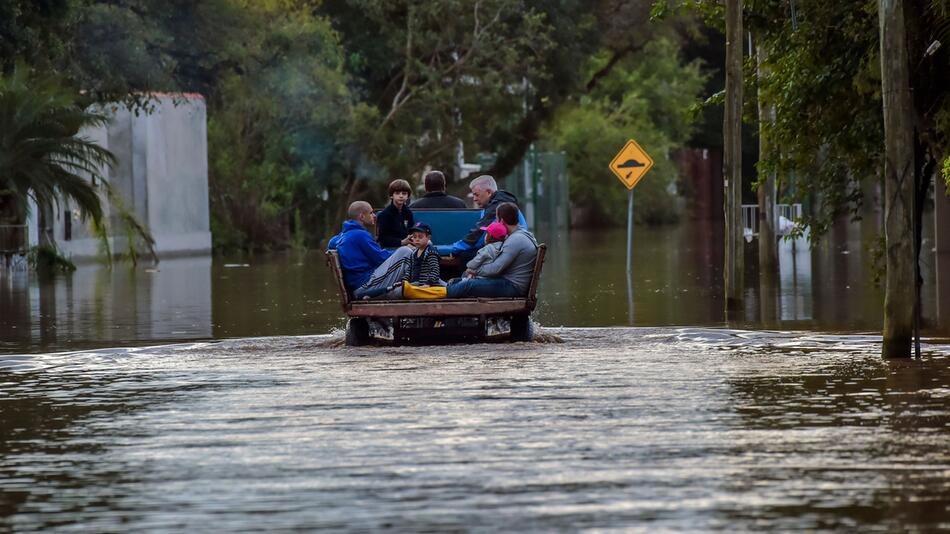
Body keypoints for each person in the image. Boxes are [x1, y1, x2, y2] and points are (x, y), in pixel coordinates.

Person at [447, 202, 538, 298]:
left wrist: (475, 271)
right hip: (508, 282)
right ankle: (444, 291)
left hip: (513, 286)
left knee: (467, 285)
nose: (496, 222)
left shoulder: (516, 239)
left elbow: (496, 268)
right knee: (458, 281)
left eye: (497, 219)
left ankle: (438, 295)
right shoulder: (520, 234)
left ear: (502, 221)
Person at [441, 174, 526, 260]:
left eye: (476, 195)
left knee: (465, 255)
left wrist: (447, 249)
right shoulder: (502, 203)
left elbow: (476, 238)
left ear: (489, 192)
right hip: (512, 251)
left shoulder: (497, 208)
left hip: (509, 253)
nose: (474, 199)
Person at [354, 222, 444, 300]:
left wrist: (428, 283)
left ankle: (453, 286)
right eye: (414, 237)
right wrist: (403, 282)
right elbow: (409, 271)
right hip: (417, 284)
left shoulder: (430, 251)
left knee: (445, 287)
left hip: (429, 283)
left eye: (420, 237)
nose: (416, 239)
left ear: (428, 238)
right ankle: (376, 295)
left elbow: (434, 270)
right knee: (403, 288)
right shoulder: (414, 253)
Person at [327, 201, 393, 292]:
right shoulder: (360, 235)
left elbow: (331, 244)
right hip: (364, 283)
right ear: (362, 217)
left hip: (356, 283)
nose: (374, 216)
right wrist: (400, 251)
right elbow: (380, 258)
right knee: (405, 252)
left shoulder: (341, 236)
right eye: (371, 213)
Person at [376, 179, 415, 248]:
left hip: (408, 245)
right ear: (391, 196)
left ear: (408, 196)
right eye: (397, 193)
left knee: (428, 244)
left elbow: (411, 231)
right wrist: (401, 242)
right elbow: (382, 238)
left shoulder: (408, 212)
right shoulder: (384, 215)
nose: (401, 196)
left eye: (404, 193)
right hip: (391, 247)